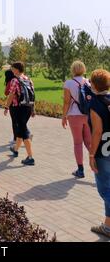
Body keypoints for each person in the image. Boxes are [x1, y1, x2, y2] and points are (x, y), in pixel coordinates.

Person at [88, 69, 110, 238]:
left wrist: (91, 155)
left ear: (94, 85)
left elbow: (97, 132)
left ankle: (108, 227)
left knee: (105, 189)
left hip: (103, 152)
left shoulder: (96, 104)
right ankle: (108, 225)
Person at [62, 61, 91, 178]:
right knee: (89, 142)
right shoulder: (88, 82)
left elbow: (66, 102)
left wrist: (64, 116)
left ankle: (80, 170)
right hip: (87, 115)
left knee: (78, 142)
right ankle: (100, 166)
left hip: (74, 115)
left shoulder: (68, 83)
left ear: (72, 70)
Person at [5, 61, 35, 165]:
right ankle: (15, 149)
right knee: (20, 129)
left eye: (12, 68)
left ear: (17, 69)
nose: (11, 70)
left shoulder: (15, 80)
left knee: (23, 130)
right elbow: (33, 95)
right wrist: (33, 109)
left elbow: (11, 95)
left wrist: (6, 107)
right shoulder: (29, 79)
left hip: (18, 108)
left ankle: (30, 157)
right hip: (27, 108)